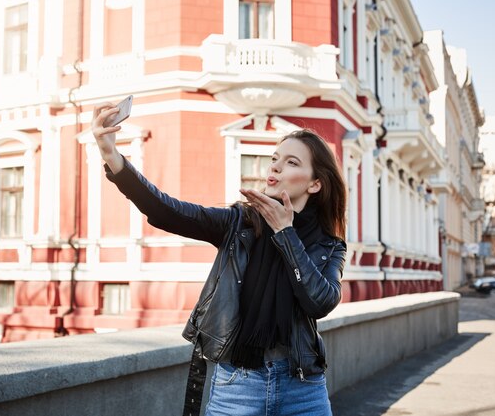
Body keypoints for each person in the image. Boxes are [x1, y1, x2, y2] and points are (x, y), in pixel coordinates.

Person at [92, 102, 347, 416]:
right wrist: (112, 156)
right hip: (238, 386)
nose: (275, 168)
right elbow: (166, 210)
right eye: (274, 159)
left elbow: (321, 302)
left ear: (315, 183)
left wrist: (285, 233)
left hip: (303, 387)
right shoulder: (239, 223)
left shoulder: (329, 246)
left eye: (291, 162)